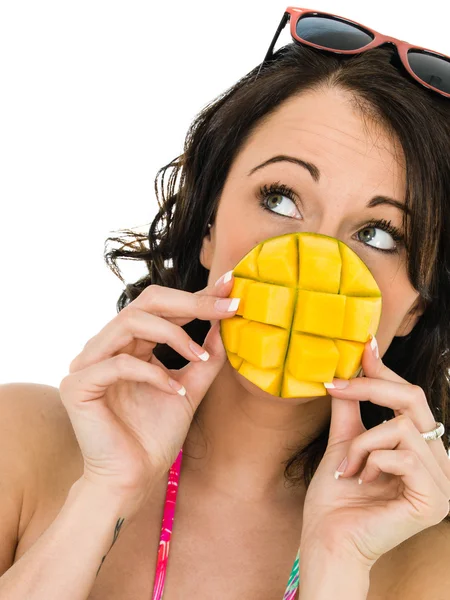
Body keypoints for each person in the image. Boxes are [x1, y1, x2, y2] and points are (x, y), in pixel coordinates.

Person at [1, 6, 450, 599]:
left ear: (416, 306)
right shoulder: (20, 441)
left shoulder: (429, 557)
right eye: (282, 198)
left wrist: (337, 562)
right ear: (209, 225)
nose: (314, 258)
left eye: (379, 234)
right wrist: (102, 491)